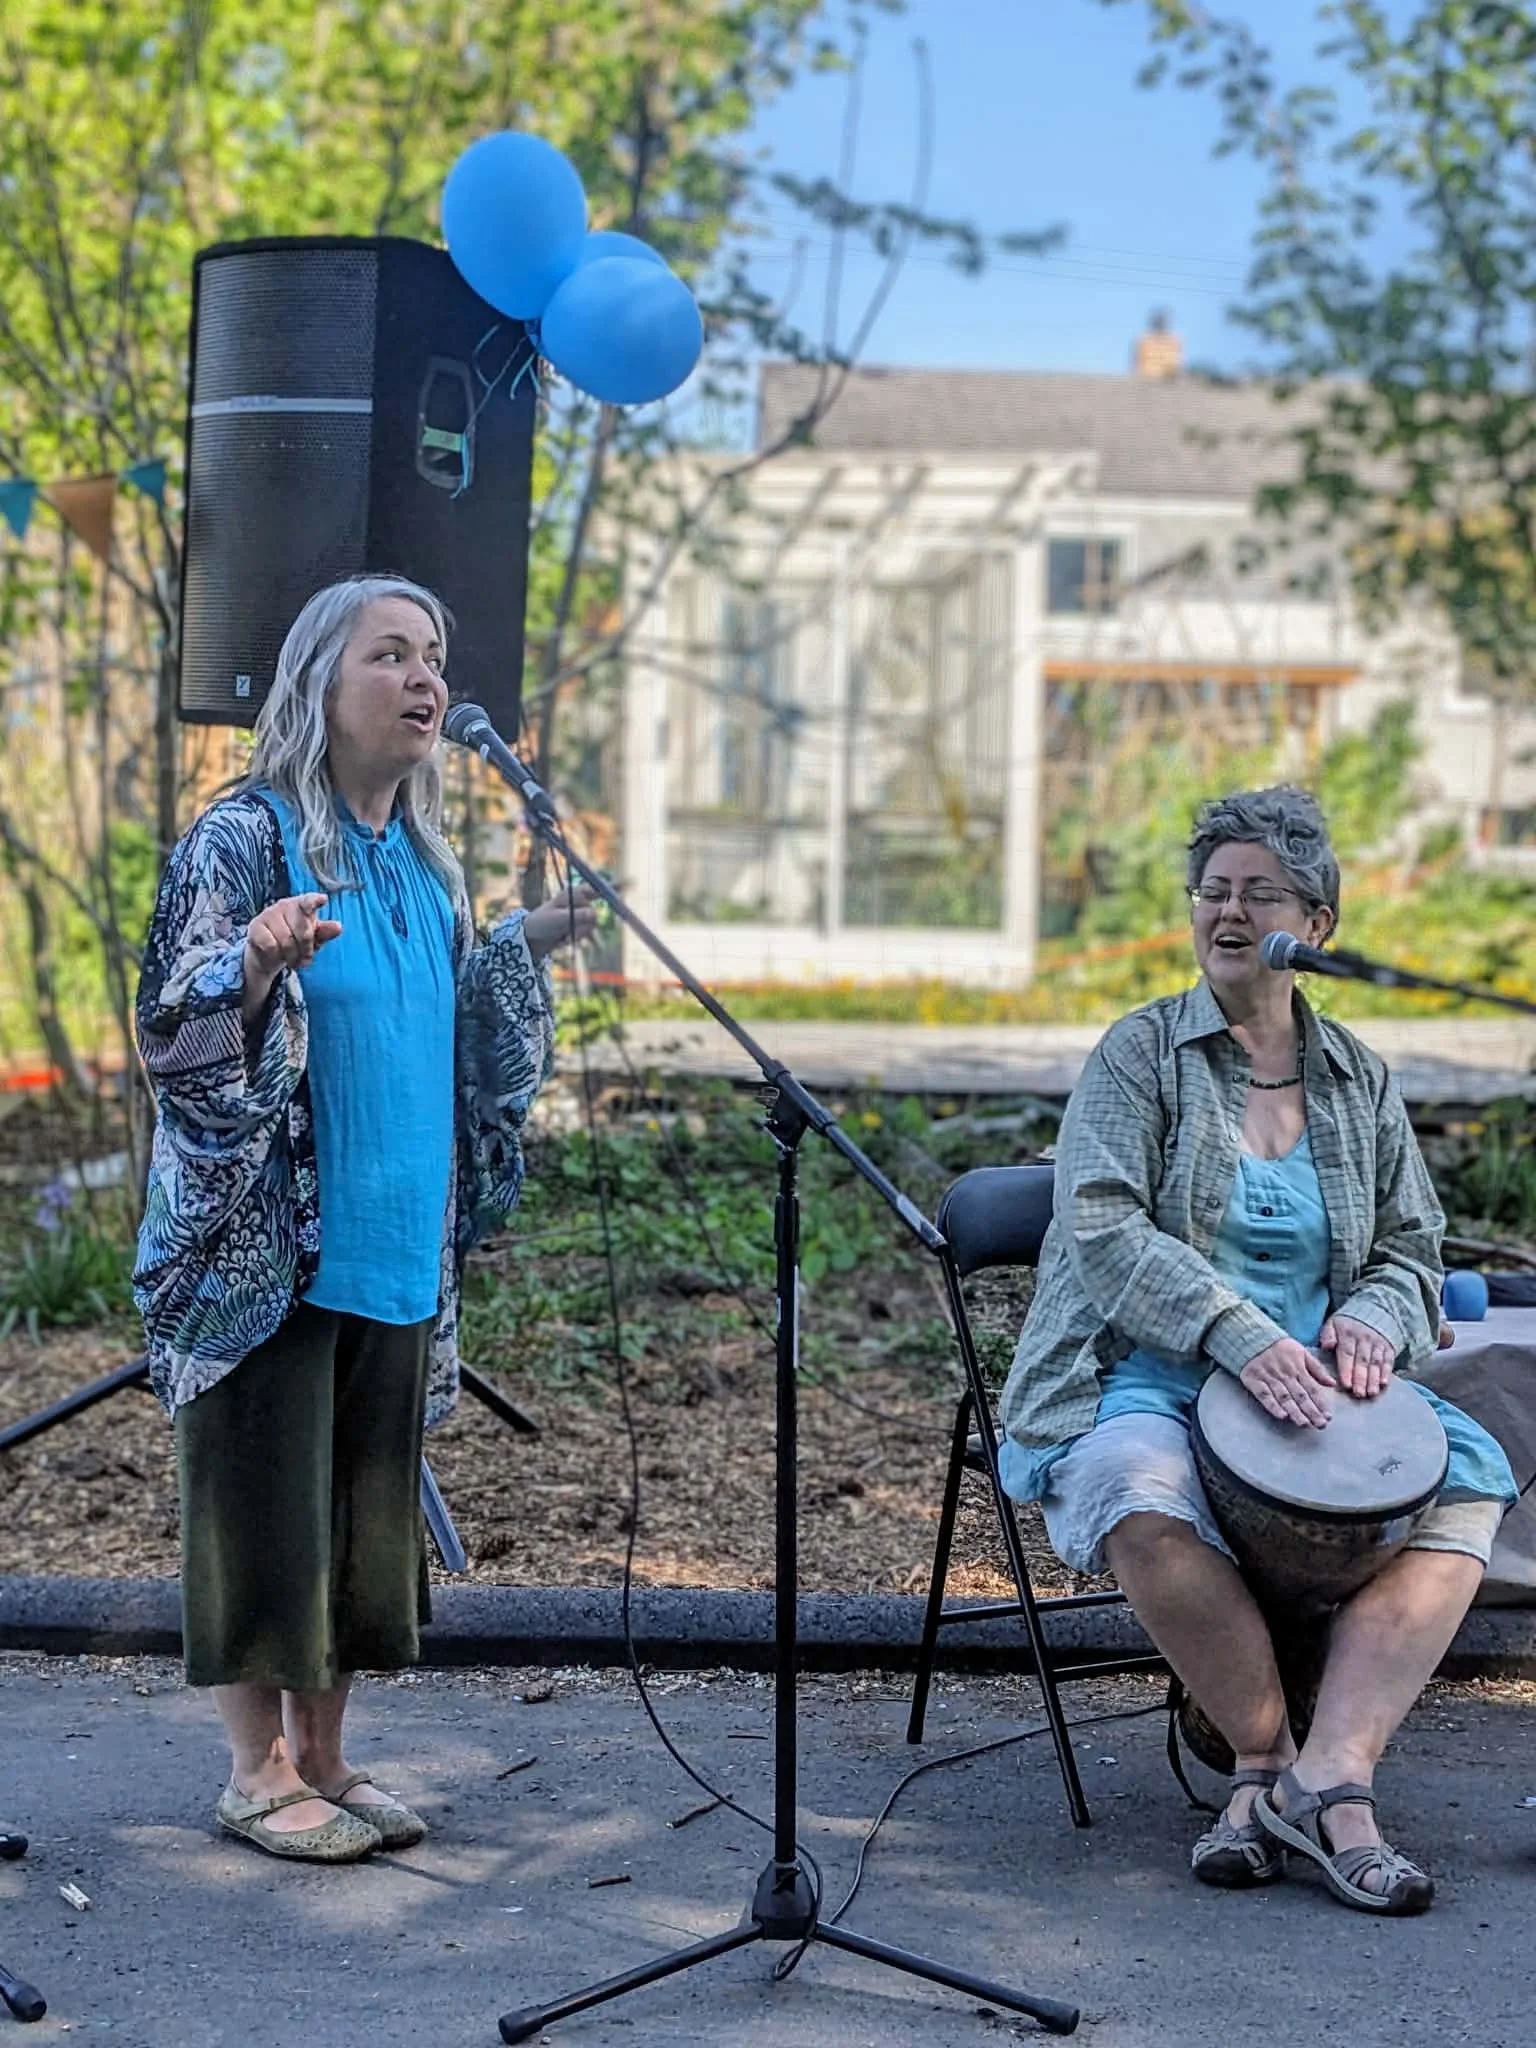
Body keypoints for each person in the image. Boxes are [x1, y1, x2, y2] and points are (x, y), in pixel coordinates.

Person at [134, 574, 596, 1863]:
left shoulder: (427, 864)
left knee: (356, 1516)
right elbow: (171, 1021)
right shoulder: (245, 835)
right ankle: (254, 1765)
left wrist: (525, 941)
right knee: (266, 1507)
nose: (424, 678)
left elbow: (454, 1048)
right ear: (318, 688)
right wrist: (256, 961)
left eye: (433, 656)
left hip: (397, 1245)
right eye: (389, 654)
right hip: (269, 1252)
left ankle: (328, 1756)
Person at [999, 785, 1515, 1915]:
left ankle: (1336, 1769)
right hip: (1159, 1368)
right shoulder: (1140, 1054)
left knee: (1469, 1485)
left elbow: (1411, 1245)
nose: (1228, 912)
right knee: (1132, 1485)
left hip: (1324, 1390)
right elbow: (1100, 1224)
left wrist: (1375, 1320)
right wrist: (1239, 1335)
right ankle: (1269, 1767)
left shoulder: (1360, 1077)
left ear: (1315, 924)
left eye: (1259, 893)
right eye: (1212, 891)